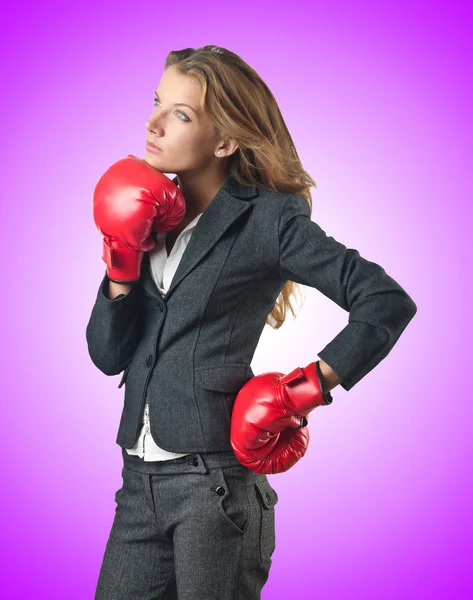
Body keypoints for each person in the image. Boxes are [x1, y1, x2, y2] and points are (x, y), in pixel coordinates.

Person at [86, 45, 417, 600]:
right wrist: (121, 256)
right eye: (158, 102)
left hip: (214, 487)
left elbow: (386, 301)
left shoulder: (268, 220)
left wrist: (302, 391)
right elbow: (107, 356)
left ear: (226, 141)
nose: (154, 122)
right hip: (137, 484)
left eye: (181, 114)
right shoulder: (146, 209)